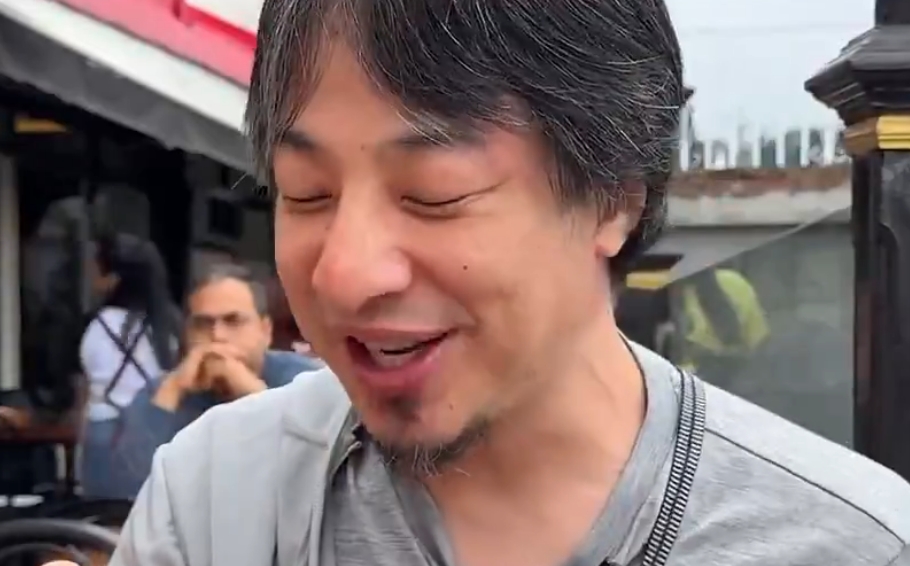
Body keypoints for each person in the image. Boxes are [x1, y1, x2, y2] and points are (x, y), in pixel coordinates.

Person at [90, 1, 910, 565]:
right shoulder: (217, 506)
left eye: (434, 194)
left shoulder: (848, 542)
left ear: (613, 196)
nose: (343, 273)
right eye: (305, 193)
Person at [82, 263, 320, 499]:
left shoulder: (306, 381)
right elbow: (123, 491)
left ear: (265, 331)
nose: (217, 336)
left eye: (233, 321)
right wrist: (172, 391)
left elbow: (319, 478)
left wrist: (255, 395)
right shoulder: (163, 392)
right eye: (203, 324)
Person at [79, 233, 181, 498]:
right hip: (154, 426)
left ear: (114, 278)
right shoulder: (169, 325)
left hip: (103, 428)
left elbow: (85, 389)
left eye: (97, 270)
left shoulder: (94, 326)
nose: (92, 278)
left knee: (101, 510)